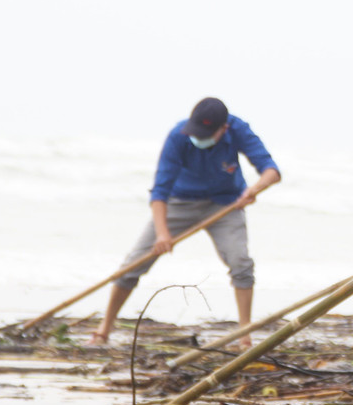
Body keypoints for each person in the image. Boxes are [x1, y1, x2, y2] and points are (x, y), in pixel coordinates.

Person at [88, 98, 281, 348]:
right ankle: (104, 329)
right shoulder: (179, 135)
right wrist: (162, 234)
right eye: (196, 132)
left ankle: (244, 336)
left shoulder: (239, 130)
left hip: (226, 204)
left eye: (206, 134)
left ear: (224, 129)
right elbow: (159, 190)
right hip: (180, 202)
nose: (198, 138)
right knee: (134, 263)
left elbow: (271, 171)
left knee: (240, 262)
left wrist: (253, 190)